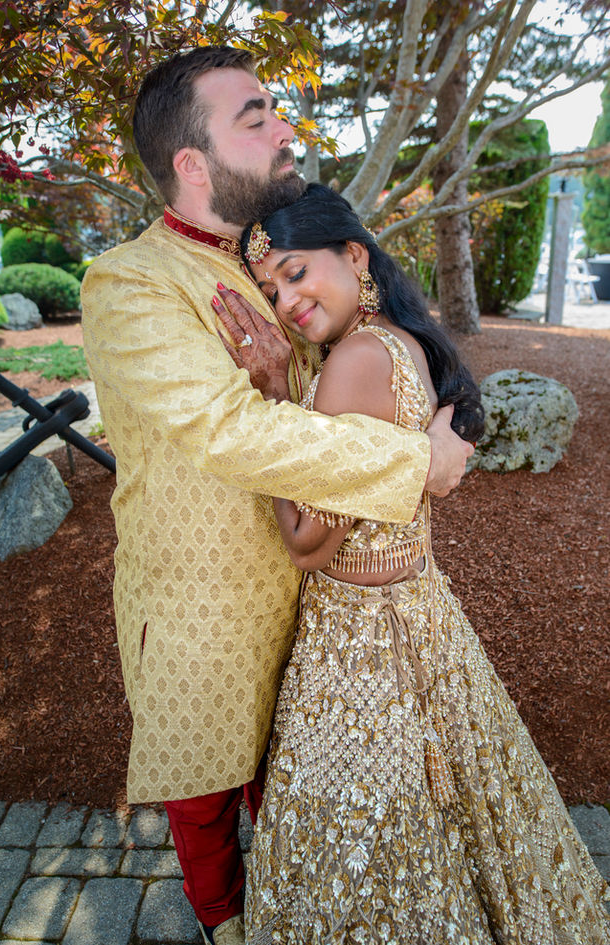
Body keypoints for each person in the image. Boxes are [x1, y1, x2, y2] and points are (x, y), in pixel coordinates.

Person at [80, 47, 473, 945]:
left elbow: (335, 380)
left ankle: (301, 906)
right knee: (208, 801)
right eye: (255, 116)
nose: (285, 127)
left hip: (312, 589)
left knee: (290, 787)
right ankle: (230, 928)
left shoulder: (269, 255)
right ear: (192, 162)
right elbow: (228, 432)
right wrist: (416, 463)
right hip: (199, 609)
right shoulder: (129, 284)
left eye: (278, 110)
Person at [227, 183, 610, 944]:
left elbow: (307, 543)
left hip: (360, 641)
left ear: (354, 255)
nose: (285, 300)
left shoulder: (353, 363)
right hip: (423, 609)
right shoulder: (399, 341)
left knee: (364, 830)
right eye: (270, 289)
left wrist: (274, 403)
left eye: (297, 272)